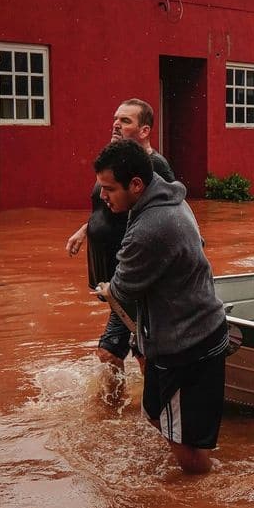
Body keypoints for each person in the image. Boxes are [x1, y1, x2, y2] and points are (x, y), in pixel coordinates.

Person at [92, 138, 228, 475]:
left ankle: (201, 500)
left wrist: (109, 286)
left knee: (187, 452)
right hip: (183, 334)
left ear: (136, 184)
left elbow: (122, 289)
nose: (102, 197)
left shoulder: (152, 227)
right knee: (155, 412)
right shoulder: (166, 197)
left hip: (187, 346)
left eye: (109, 189)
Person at [66, 99, 176, 371]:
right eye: (116, 118)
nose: (116, 124)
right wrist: (86, 229)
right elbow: (106, 205)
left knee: (110, 353)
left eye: (126, 121)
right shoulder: (115, 161)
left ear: (145, 131)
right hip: (117, 273)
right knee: (139, 342)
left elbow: (169, 212)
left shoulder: (154, 166)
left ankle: (127, 408)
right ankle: (143, 400)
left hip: (134, 274)